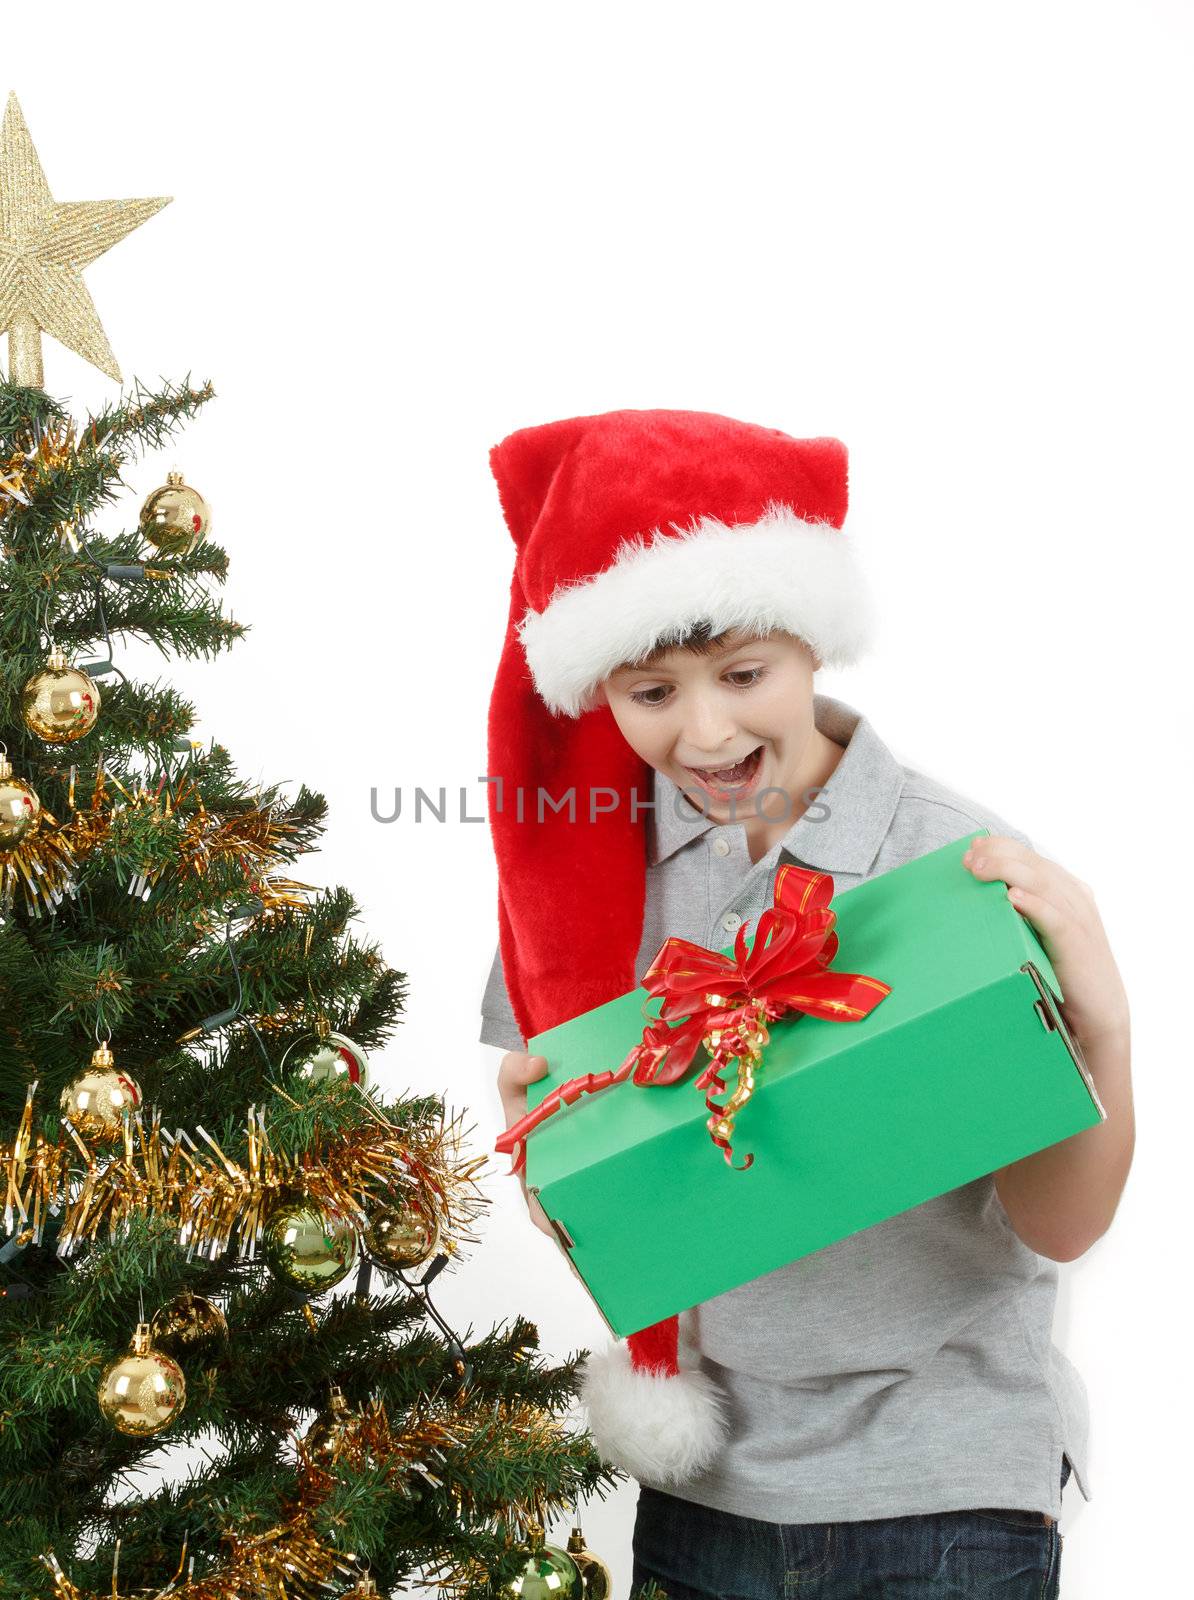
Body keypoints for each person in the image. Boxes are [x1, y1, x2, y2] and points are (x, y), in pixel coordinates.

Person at [479, 408, 1133, 1598]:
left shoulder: (956, 862)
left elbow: (1061, 1223)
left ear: (811, 644)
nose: (708, 728)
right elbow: (607, 1204)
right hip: (706, 1488)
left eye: (744, 674)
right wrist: (560, 1161)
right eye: (651, 690)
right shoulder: (583, 892)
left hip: (947, 1487)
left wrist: (1104, 1037)